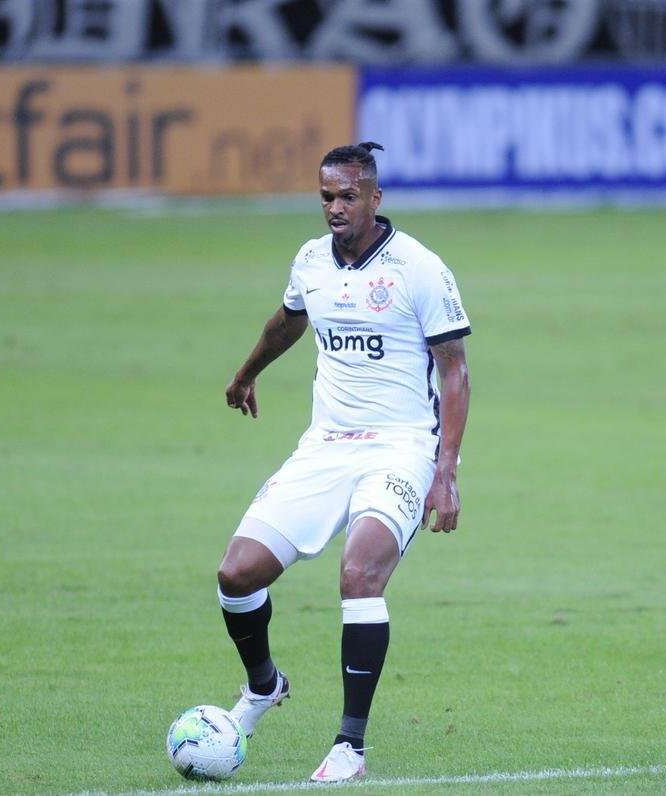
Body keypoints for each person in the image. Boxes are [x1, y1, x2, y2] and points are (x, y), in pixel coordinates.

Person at [216, 142, 472, 783]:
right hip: (326, 445)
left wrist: (445, 471)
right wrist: (247, 373)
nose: (335, 207)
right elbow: (287, 322)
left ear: (374, 198)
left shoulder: (418, 268)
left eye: (348, 196)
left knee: (359, 575)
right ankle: (263, 686)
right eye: (327, 196)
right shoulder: (311, 260)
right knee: (236, 574)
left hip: (401, 448)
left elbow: (455, 371)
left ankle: (349, 747)